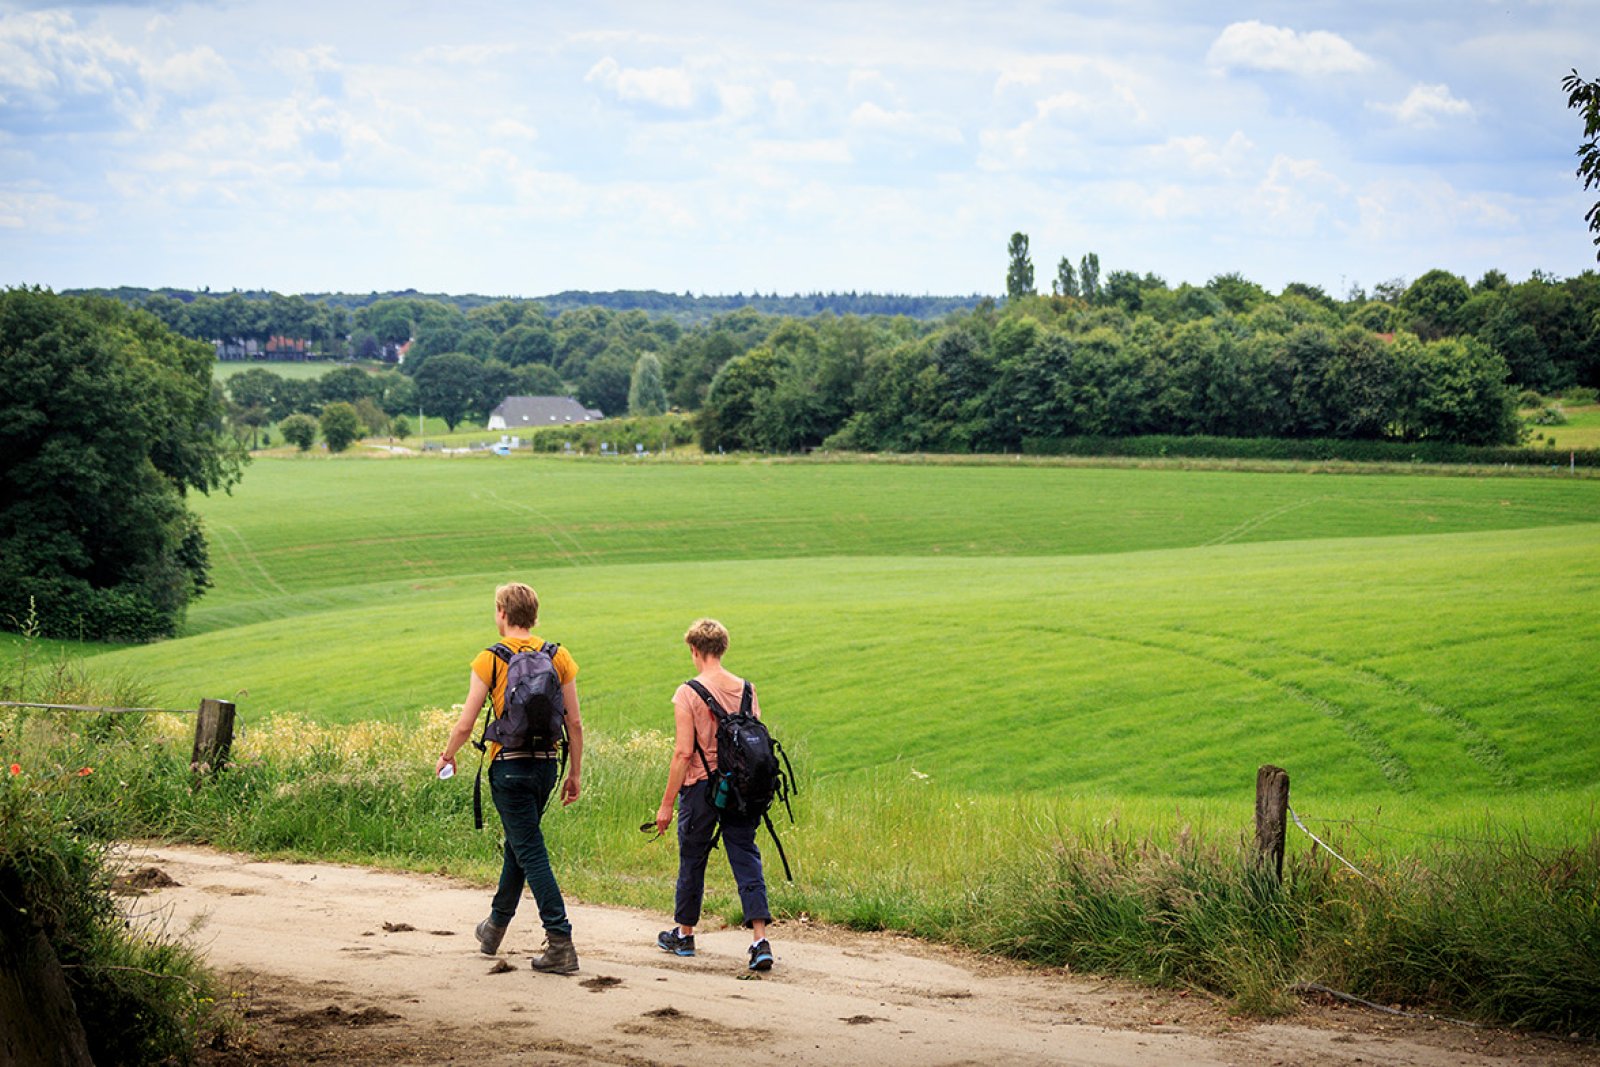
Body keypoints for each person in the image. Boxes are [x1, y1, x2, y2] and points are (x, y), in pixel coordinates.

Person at [436, 582, 583, 974]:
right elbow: (576, 723)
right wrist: (575, 773)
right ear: (533, 614)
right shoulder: (559, 655)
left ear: (502, 613)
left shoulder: (491, 659)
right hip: (546, 765)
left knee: (530, 849)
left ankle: (560, 941)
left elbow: (467, 722)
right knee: (521, 843)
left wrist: (448, 754)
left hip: (509, 766)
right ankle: (495, 927)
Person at [653, 618, 774, 972]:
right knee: (745, 855)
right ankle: (759, 940)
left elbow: (682, 753)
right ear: (723, 648)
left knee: (693, 856)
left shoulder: (687, 692)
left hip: (701, 788)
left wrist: (665, 804)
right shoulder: (747, 689)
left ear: (694, 650)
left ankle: (685, 934)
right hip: (741, 788)